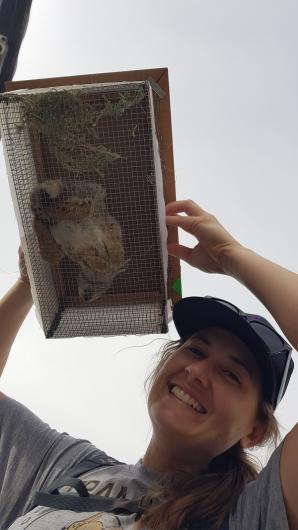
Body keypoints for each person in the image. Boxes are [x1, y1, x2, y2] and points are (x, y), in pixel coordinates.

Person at [0, 199, 297, 530]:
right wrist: (30, 285)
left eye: (231, 374)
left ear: (253, 431)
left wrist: (231, 255)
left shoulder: (248, 516)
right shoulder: (70, 468)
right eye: (196, 351)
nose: (198, 372)